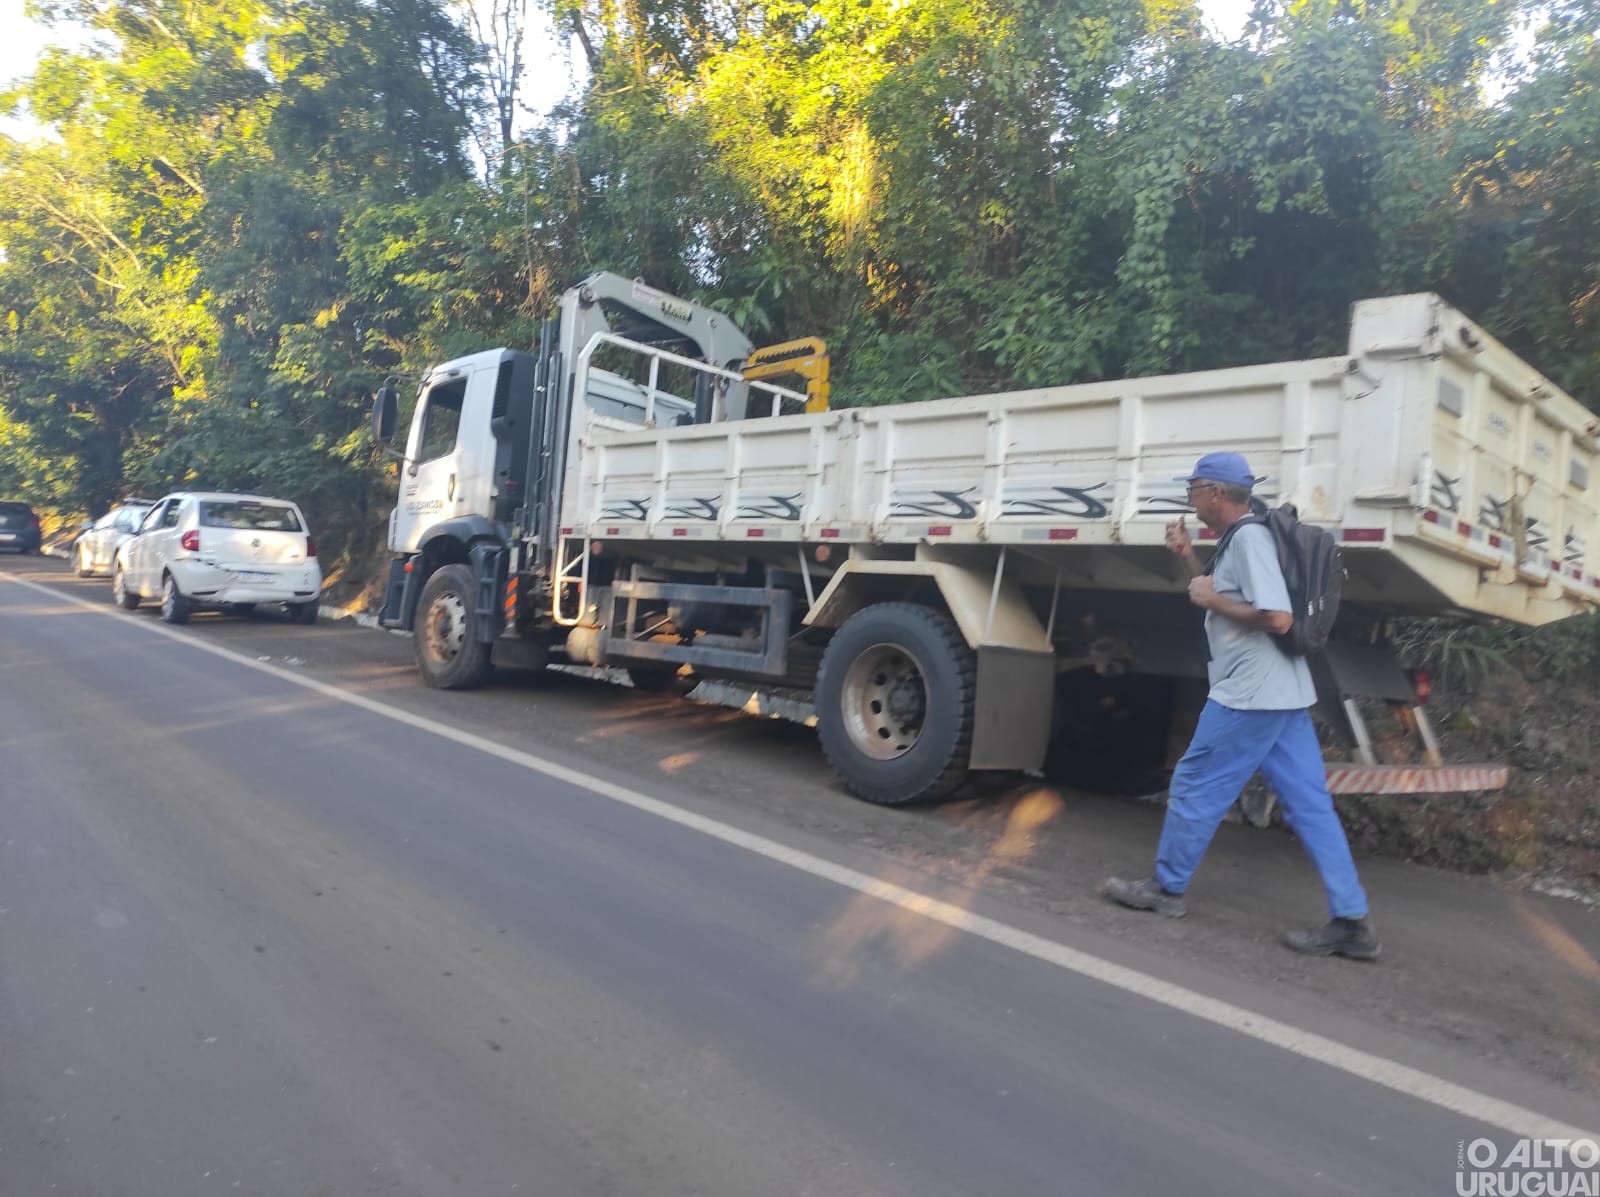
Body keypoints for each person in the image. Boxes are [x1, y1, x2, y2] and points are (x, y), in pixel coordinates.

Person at [1103, 452, 1380, 961]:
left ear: (1214, 492)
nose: (1189, 497)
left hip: (1252, 694)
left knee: (1194, 784)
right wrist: (1187, 557)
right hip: (1283, 694)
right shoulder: (1243, 538)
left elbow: (1275, 618)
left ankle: (1166, 891)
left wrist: (1211, 601)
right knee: (1311, 806)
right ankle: (1352, 921)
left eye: (1193, 488)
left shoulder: (1250, 539)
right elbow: (1216, 591)